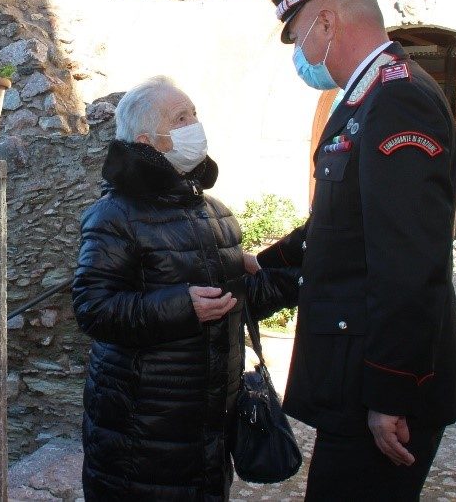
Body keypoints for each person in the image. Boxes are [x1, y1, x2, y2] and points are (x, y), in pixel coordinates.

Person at [256, 0, 456, 500]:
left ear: (327, 22)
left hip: (379, 379)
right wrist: (261, 263)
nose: (301, 53)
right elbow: (340, 224)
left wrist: (391, 393)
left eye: (300, 34)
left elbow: (409, 260)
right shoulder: (366, 97)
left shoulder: (398, 100)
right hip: (356, 373)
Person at [72, 76, 300, 500]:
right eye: (181, 118)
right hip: (140, 436)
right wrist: (182, 306)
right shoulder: (113, 216)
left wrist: (303, 277)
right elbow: (93, 308)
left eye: (194, 113)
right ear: (148, 141)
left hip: (209, 434)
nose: (195, 124)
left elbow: (241, 301)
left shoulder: (216, 213)